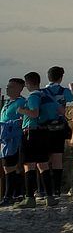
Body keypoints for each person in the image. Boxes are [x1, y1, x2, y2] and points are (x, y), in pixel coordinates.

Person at [18, 71, 53, 207]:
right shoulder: (45, 95)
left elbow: (34, 113)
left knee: (29, 165)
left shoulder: (33, 96)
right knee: (43, 164)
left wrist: (22, 111)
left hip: (31, 133)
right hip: (43, 132)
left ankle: (29, 198)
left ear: (27, 83)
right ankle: (49, 196)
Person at [41, 66, 73, 201]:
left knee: (43, 160)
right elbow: (71, 97)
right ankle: (57, 189)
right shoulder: (64, 91)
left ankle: (43, 189)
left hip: (44, 127)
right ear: (61, 77)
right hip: (59, 127)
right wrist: (72, 87)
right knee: (57, 160)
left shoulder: (42, 92)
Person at [0, 76, 24, 206]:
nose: (8, 89)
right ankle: (14, 194)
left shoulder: (21, 103)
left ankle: (10, 195)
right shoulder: (7, 103)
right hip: (4, 140)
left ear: (19, 88)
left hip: (14, 139)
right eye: (7, 87)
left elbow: (21, 121)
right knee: (7, 167)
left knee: (10, 167)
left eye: (11, 87)